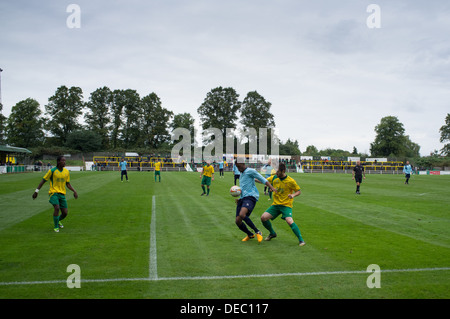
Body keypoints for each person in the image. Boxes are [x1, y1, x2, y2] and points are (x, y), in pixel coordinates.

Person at [260, 163, 305, 246]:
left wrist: (293, 195)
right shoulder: (274, 178)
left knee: (289, 220)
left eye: (277, 171)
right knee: (263, 218)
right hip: (276, 205)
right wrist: (252, 178)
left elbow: (298, 191)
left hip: (286, 205)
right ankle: (272, 233)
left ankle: (301, 240)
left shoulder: (290, 181)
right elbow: (264, 181)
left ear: (283, 171)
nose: (276, 173)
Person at [32, 155, 78, 232]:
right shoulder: (52, 171)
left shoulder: (66, 172)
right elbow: (43, 180)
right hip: (53, 193)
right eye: (63, 160)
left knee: (65, 213)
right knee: (57, 207)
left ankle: (58, 220)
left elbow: (68, 184)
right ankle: (56, 226)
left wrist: (74, 191)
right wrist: (36, 191)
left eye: (65, 161)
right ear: (58, 161)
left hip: (62, 194)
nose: (64, 162)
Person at [234, 159, 276, 242]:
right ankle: (250, 234)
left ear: (243, 163)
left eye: (239, 166)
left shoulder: (250, 171)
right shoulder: (241, 174)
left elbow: (263, 179)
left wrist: (272, 188)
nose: (238, 169)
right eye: (237, 167)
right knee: (238, 221)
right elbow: (243, 187)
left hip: (251, 197)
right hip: (243, 198)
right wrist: (239, 198)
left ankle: (257, 231)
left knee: (242, 214)